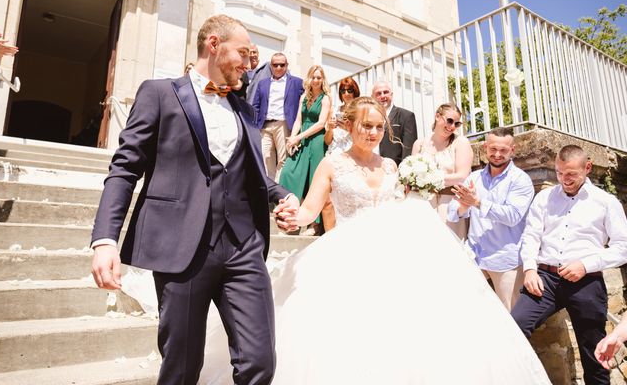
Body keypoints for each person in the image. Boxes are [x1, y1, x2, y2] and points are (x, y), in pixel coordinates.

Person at [197, 96, 551, 384]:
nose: (373, 132)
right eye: (367, 125)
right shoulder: (332, 164)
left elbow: (402, 211)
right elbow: (310, 210)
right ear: (350, 126)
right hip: (347, 257)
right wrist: (294, 218)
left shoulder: (392, 168)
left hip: (389, 259)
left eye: (379, 127)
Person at [90, 14, 299, 385]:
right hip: (181, 245)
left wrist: (282, 195)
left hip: (243, 247)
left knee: (259, 363)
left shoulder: (245, 109)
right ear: (214, 45)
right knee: (182, 367)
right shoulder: (159, 93)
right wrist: (106, 239)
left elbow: (251, 173)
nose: (251, 64)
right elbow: (124, 168)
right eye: (244, 53)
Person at [511, 145, 627, 385]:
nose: (564, 179)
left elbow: (622, 248)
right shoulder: (544, 197)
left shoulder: (606, 202)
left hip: (587, 282)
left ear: (587, 168)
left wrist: (585, 264)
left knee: (594, 354)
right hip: (546, 280)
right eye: (560, 173)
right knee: (513, 329)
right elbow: (531, 235)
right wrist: (530, 268)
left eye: (571, 174)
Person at [447, 127, 534, 310]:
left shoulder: (520, 180)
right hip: (474, 256)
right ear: (485, 147)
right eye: (493, 149)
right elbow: (453, 211)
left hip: (504, 260)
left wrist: (477, 202)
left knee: (511, 316)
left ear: (513, 150)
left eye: (503, 150)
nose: (497, 154)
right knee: (470, 310)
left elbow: (512, 216)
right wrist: (465, 204)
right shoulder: (474, 177)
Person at [279, 65, 331, 235]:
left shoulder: (325, 99)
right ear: (309, 78)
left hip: (316, 140)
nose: (316, 80)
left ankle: (314, 225)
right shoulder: (303, 97)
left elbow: (321, 123)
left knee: (313, 179)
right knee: (288, 172)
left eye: (319, 77)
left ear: (323, 80)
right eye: (314, 77)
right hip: (301, 138)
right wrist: (291, 139)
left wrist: (299, 137)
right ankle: (289, 216)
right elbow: (298, 120)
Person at [411, 103, 473, 240]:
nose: (452, 127)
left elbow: (462, 176)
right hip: (424, 205)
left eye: (457, 124)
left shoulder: (460, 142)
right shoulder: (419, 144)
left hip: (449, 206)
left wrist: (432, 179)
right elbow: (412, 175)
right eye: (449, 120)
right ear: (438, 116)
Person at [251, 53, 303, 181]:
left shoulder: (297, 82)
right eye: (275, 65)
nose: (279, 67)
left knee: (283, 159)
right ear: (270, 66)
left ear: (287, 65)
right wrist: (255, 126)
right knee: (264, 156)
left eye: (282, 65)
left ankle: (279, 193)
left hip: (284, 124)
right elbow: (255, 106)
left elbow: (306, 102)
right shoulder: (263, 83)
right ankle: (271, 190)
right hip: (265, 126)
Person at [322, 77, 360, 231]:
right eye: (343, 91)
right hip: (335, 152)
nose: (346, 94)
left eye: (349, 90)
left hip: (351, 152)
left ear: (355, 91)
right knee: (329, 196)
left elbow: (362, 136)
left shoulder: (360, 109)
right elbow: (327, 141)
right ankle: (328, 231)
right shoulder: (335, 110)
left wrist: (348, 129)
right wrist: (330, 128)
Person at [372, 80, 417, 165]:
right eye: (378, 93)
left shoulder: (406, 116)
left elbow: (409, 149)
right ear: (373, 97)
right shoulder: (368, 117)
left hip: (393, 169)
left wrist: (403, 172)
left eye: (385, 92)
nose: (382, 96)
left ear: (391, 94)